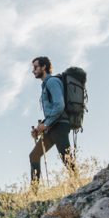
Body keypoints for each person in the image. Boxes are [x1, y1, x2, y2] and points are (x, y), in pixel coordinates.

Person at [29, 56, 75, 184]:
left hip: (60, 126)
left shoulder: (52, 82)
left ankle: (77, 184)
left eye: (35, 67)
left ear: (44, 67)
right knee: (34, 156)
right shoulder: (45, 86)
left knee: (67, 160)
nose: (33, 70)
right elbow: (52, 111)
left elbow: (59, 105)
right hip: (52, 127)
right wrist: (40, 128)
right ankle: (33, 193)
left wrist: (46, 123)